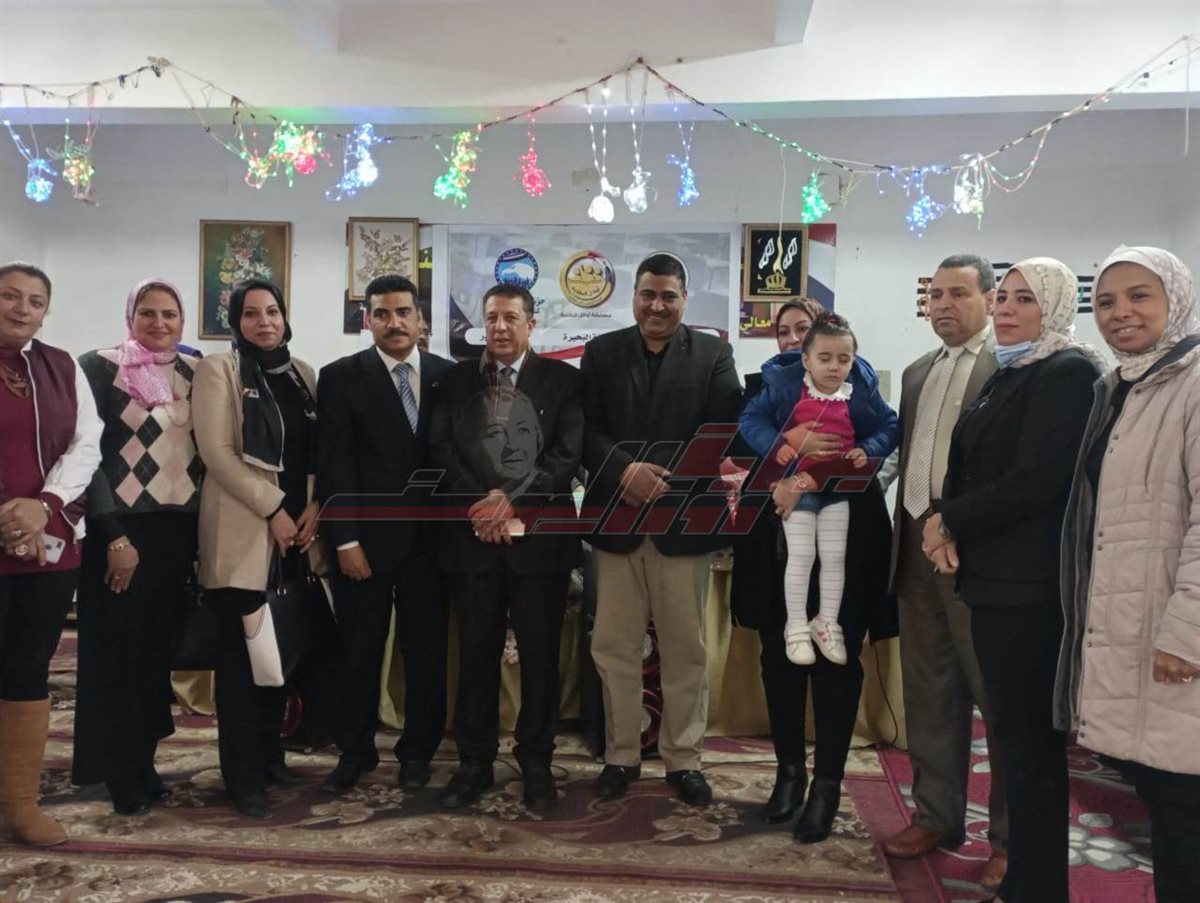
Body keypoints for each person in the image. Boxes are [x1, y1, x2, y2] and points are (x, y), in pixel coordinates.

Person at [923, 257, 1101, 902]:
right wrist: (949, 526)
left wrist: (949, 520)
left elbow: (1035, 481)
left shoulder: (1068, 372)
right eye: (1004, 297)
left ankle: (1037, 885)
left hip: (1030, 589)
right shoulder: (1015, 370)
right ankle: (1028, 879)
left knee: (1028, 744)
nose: (1006, 310)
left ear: (1056, 306)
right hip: (995, 580)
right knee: (1017, 738)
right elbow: (973, 465)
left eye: (1025, 299)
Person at [1056, 246, 1200, 902]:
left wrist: (1187, 633)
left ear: (1177, 299)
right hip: (1130, 620)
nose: (1121, 313)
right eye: (1107, 300)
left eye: (1140, 296)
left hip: (1176, 633)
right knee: (1166, 798)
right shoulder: (1122, 387)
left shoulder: (1192, 383)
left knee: (1184, 801)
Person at [732, 298, 897, 841]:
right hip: (773, 539)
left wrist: (842, 463)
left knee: (837, 661)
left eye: (802, 329)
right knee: (779, 657)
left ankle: (826, 784)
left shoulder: (859, 385)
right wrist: (787, 444)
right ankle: (789, 774)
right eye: (784, 331)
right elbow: (740, 447)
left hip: (849, 533)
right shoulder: (764, 388)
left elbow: (881, 441)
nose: (791, 338)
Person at [581, 252, 742, 806]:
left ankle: (684, 759)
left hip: (683, 521)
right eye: (648, 294)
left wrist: (659, 477)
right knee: (614, 648)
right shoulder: (602, 353)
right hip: (617, 521)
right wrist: (624, 470)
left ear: (684, 300)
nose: (657, 306)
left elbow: (722, 430)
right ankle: (621, 756)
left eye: (668, 296)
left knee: (684, 650)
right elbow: (584, 430)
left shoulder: (714, 355)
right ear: (634, 296)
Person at [431, 283, 583, 811]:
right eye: (492, 317)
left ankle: (536, 760)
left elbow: (566, 456)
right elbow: (441, 450)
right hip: (472, 541)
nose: (499, 327)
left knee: (541, 657)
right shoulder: (454, 381)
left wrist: (510, 499)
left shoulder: (563, 381)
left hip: (540, 543)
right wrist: (484, 505)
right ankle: (474, 761)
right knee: (475, 655)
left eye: (510, 318)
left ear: (530, 325)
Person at [884, 254, 1009, 891]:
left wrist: (958, 524)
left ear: (990, 297)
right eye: (934, 295)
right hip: (912, 543)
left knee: (998, 696)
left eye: (958, 293)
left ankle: (1010, 838)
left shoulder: (1009, 369)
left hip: (974, 551)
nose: (942, 306)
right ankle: (936, 815)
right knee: (928, 690)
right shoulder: (916, 372)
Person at [316, 274, 451, 794]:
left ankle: (417, 752)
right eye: (382, 314)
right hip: (365, 547)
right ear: (367, 320)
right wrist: (345, 541)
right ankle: (354, 752)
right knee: (358, 653)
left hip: (432, 547)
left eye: (403, 312)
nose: (394, 322)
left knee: (427, 656)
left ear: (420, 319)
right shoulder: (341, 378)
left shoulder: (447, 376)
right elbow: (335, 465)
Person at [71, 278, 202, 815]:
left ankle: (143, 764)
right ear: (130, 317)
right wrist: (114, 536)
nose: (159, 323)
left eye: (169, 313)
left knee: (155, 655)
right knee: (117, 655)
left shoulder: (196, 370)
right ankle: (118, 773)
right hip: (119, 534)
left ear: (182, 319)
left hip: (177, 534)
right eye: (147, 313)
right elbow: (88, 456)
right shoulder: (99, 367)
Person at [191, 278, 320, 819]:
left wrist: (314, 508)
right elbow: (217, 453)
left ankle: (270, 756)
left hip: (295, 536)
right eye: (250, 313)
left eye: (272, 312)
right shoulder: (218, 370)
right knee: (242, 663)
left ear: (285, 318)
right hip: (245, 532)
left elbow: (315, 453)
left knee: (279, 652)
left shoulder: (303, 375)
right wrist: (274, 509)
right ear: (236, 322)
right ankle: (242, 777)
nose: (263, 322)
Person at [0, 261, 102, 846]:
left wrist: (43, 505)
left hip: (50, 543)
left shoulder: (62, 365)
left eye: (34, 301)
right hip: (11, 532)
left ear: (45, 311)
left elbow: (87, 443)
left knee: (28, 668)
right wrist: (9, 517)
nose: (21, 308)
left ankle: (19, 803)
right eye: (10, 296)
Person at [741, 311, 898, 668]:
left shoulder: (860, 391)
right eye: (824, 358)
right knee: (801, 555)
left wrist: (868, 449)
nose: (833, 366)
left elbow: (890, 426)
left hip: (838, 492)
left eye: (843, 359)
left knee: (833, 557)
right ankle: (796, 626)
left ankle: (826, 622)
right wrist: (781, 443)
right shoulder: (782, 387)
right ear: (807, 359)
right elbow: (749, 423)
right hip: (793, 495)